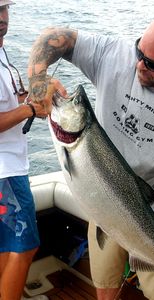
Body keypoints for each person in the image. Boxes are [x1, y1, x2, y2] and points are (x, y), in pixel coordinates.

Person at [26, 13, 154, 300]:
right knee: (104, 283)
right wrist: (38, 78)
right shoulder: (114, 53)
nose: (139, 65)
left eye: (153, 65)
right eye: (140, 52)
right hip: (104, 207)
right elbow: (56, 37)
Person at [0, 1, 50, 299]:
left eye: (4, 10)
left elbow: (12, 98)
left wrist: (42, 89)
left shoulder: (2, 51)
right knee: (25, 244)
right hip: (6, 173)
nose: (1, 18)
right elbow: (19, 109)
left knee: (7, 247)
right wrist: (30, 108)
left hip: (11, 168)